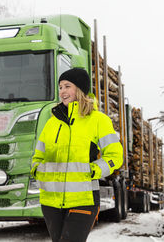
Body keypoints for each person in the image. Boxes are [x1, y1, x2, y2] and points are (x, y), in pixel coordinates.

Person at [31, 67, 123, 242]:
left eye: (67, 86)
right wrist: (37, 171)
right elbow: (38, 156)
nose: (62, 91)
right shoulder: (51, 123)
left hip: (84, 198)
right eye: (60, 87)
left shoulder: (98, 120)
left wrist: (94, 170)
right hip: (51, 202)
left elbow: (115, 156)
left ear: (79, 89)